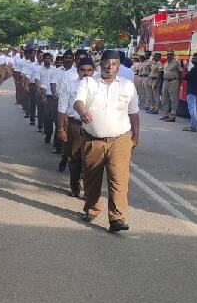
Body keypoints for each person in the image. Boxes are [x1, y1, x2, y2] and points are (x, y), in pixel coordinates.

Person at [74, 50, 140, 232]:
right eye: (107, 63)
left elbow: (133, 113)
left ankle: (117, 218)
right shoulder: (89, 82)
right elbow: (78, 101)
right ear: (100, 64)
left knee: (118, 179)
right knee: (91, 178)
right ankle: (92, 208)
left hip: (120, 139)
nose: (110, 67)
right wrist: (83, 112)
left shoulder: (127, 86)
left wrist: (136, 136)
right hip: (93, 139)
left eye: (114, 64)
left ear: (119, 66)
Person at [57, 57, 94, 197]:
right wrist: (61, 129)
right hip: (75, 125)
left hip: (93, 126)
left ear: (93, 71)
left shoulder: (98, 86)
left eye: (89, 70)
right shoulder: (70, 85)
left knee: (91, 159)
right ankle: (75, 187)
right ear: (77, 71)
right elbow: (62, 107)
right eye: (83, 70)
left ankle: (89, 189)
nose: (86, 73)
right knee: (74, 157)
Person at [182, 53, 197, 133]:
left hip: (191, 90)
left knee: (192, 108)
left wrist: (185, 68)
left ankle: (193, 126)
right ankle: (194, 125)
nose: (192, 60)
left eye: (194, 58)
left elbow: (186, 77)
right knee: (196, 108)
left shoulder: (195, 69)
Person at [160, 50, 182, 122]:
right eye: (167, 54)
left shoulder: (176, 62)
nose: (168, 56)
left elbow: (180, 73)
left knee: (173, 99)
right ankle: (165, 114)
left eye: (170, 54)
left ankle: (172, 116)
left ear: (173, 55)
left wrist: (179, 83)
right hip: (165, 81)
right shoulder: (166, 63)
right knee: (164, 99)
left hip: (173, 81)